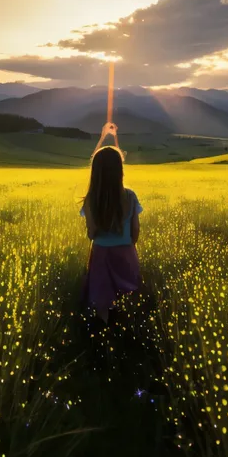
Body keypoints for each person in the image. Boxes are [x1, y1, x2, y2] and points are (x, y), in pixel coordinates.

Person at [80, 123, 143, 323]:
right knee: (127, 298)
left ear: (95, 172)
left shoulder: (91, 199)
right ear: (120, 170)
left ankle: (105, 337)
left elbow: (91, 234)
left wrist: (102, 139)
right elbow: (135, 233)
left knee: (102, 300)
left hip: (101, 255)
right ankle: (128, 336)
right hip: (126, 253)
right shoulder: (130, 197)